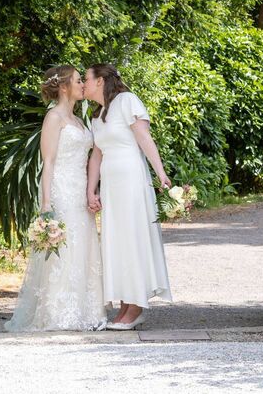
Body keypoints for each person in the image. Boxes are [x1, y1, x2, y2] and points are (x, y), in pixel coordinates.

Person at [4, 65, 107, 331]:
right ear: (63, 87)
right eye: (76, 81)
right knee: (64, 250)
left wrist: (92, 190)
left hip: (81, 189)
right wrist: (46, 204)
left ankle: (86, 311)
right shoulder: (54, 118)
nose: (82, 84)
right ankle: (57, 313)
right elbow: (47, 163)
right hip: (61, 189)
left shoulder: (79, 120)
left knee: (83, 247)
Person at [84, 63, 172, 330]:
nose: (83, 83)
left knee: (133, 238)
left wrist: (161, 174)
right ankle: (125, 303)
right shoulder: (96, 114)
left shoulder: (127, 101)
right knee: (116, 241)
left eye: (86, 78)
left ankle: (136, 305)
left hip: (132, 180)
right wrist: (91, 189)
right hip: (111, 185)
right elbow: (97, 153)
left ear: (100, 80)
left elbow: (145, 138)